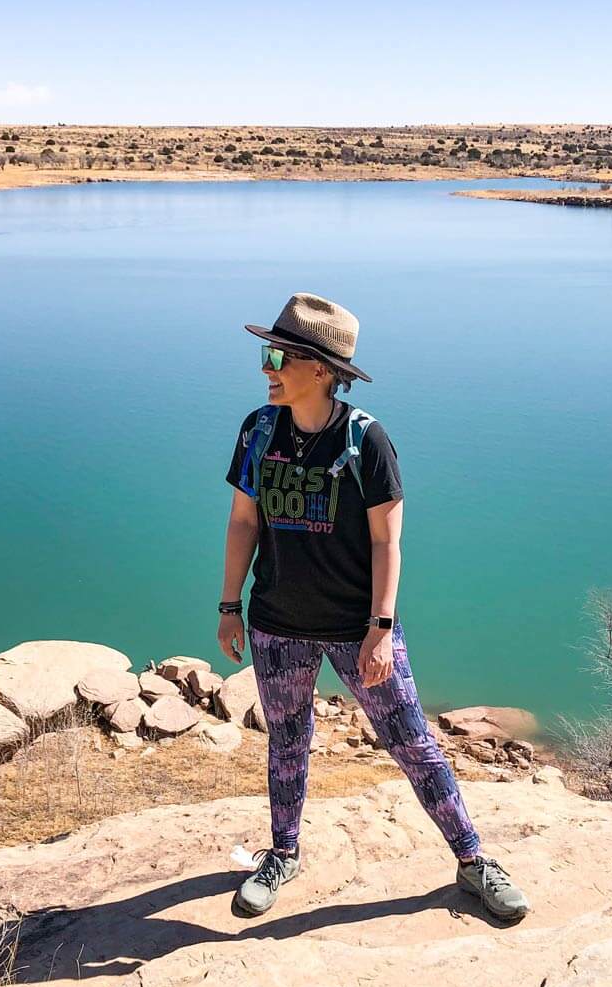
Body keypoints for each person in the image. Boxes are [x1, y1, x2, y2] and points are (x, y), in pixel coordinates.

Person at [217, 292, 530, 923]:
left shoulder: (365, 440)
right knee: (286, 742)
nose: (267, 367)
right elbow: (243, 521)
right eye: (266, 353)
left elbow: (388, 539)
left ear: (322, 370)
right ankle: (282, 854)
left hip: (356, 629)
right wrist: (230, 604)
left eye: (280, 356)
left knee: (413, 740)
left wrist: (380, 628)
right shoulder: (257, 429)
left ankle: (473, 861)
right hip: (277, 625)